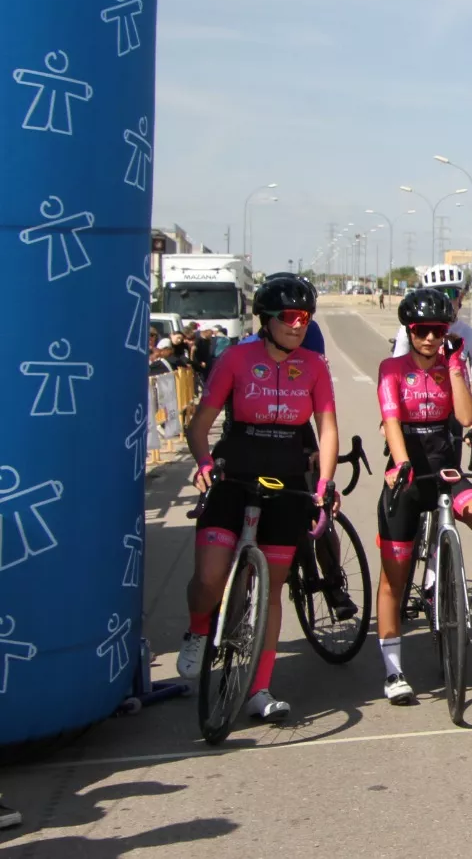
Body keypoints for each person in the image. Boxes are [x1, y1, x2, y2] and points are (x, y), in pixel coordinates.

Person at [178, 276, 339, 723]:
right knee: (209, 578)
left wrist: (323, 485)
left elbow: (327, 428)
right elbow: (199, 426)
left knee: (271, 593)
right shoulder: (235, 359)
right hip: (234, 476)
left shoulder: (314, 366)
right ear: (265, 321)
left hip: (287, 482)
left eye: (305, 317)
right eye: (288, 317)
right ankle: (197, 629)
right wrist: (205, 462)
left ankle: (260, 688)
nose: (298, 324)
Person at [373, 288, 472, 703]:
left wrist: (455, 367)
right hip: (408, 471)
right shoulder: (391, 368)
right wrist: (400, 462)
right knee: (394, 576)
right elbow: (391, 419)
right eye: (422, 330)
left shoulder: (452, 362)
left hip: (446, 471)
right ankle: (393, 672)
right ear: (409, 331)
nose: (430, 338)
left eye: (438, 330)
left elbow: (465, 416)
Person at [391, 264, 472, 427]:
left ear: (461, 297)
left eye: (451, 293)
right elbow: (395, 379)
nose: (445, 298)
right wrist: (390, 420)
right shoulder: (408, 330)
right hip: (411, 413)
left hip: (452, 418)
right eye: (437, 292)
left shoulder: (470, 337)